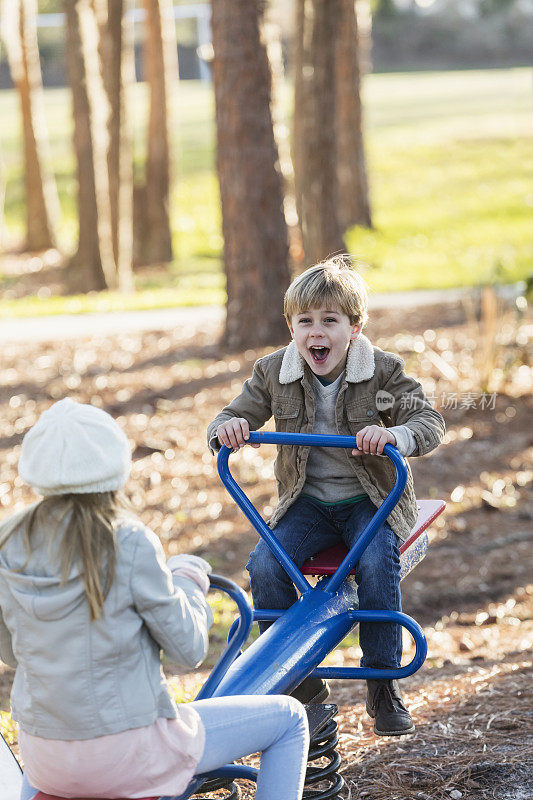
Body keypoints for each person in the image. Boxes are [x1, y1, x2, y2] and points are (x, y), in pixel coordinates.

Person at [0, 398, 309, 800]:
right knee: (288, 719)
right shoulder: (127, 541)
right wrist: (187, 578)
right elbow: (189, 647)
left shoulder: (9, 541)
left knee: (54, 771)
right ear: (113, 466)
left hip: (47, 758)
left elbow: (10, 651)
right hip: (127, 755)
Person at [207, 256, 445, 737]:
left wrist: (395, 435)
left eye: (330, 321)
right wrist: (229, 428)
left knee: (377, 562)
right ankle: (303, 686)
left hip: (370, 498)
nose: (317, 332)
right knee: (265, 565)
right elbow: (231, 416)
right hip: (308, 501)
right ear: (292, 327)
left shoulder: (383, 370)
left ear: (354, 327)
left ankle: (382, 682)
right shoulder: (273, 371)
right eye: (305, 321)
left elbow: (430, 422)